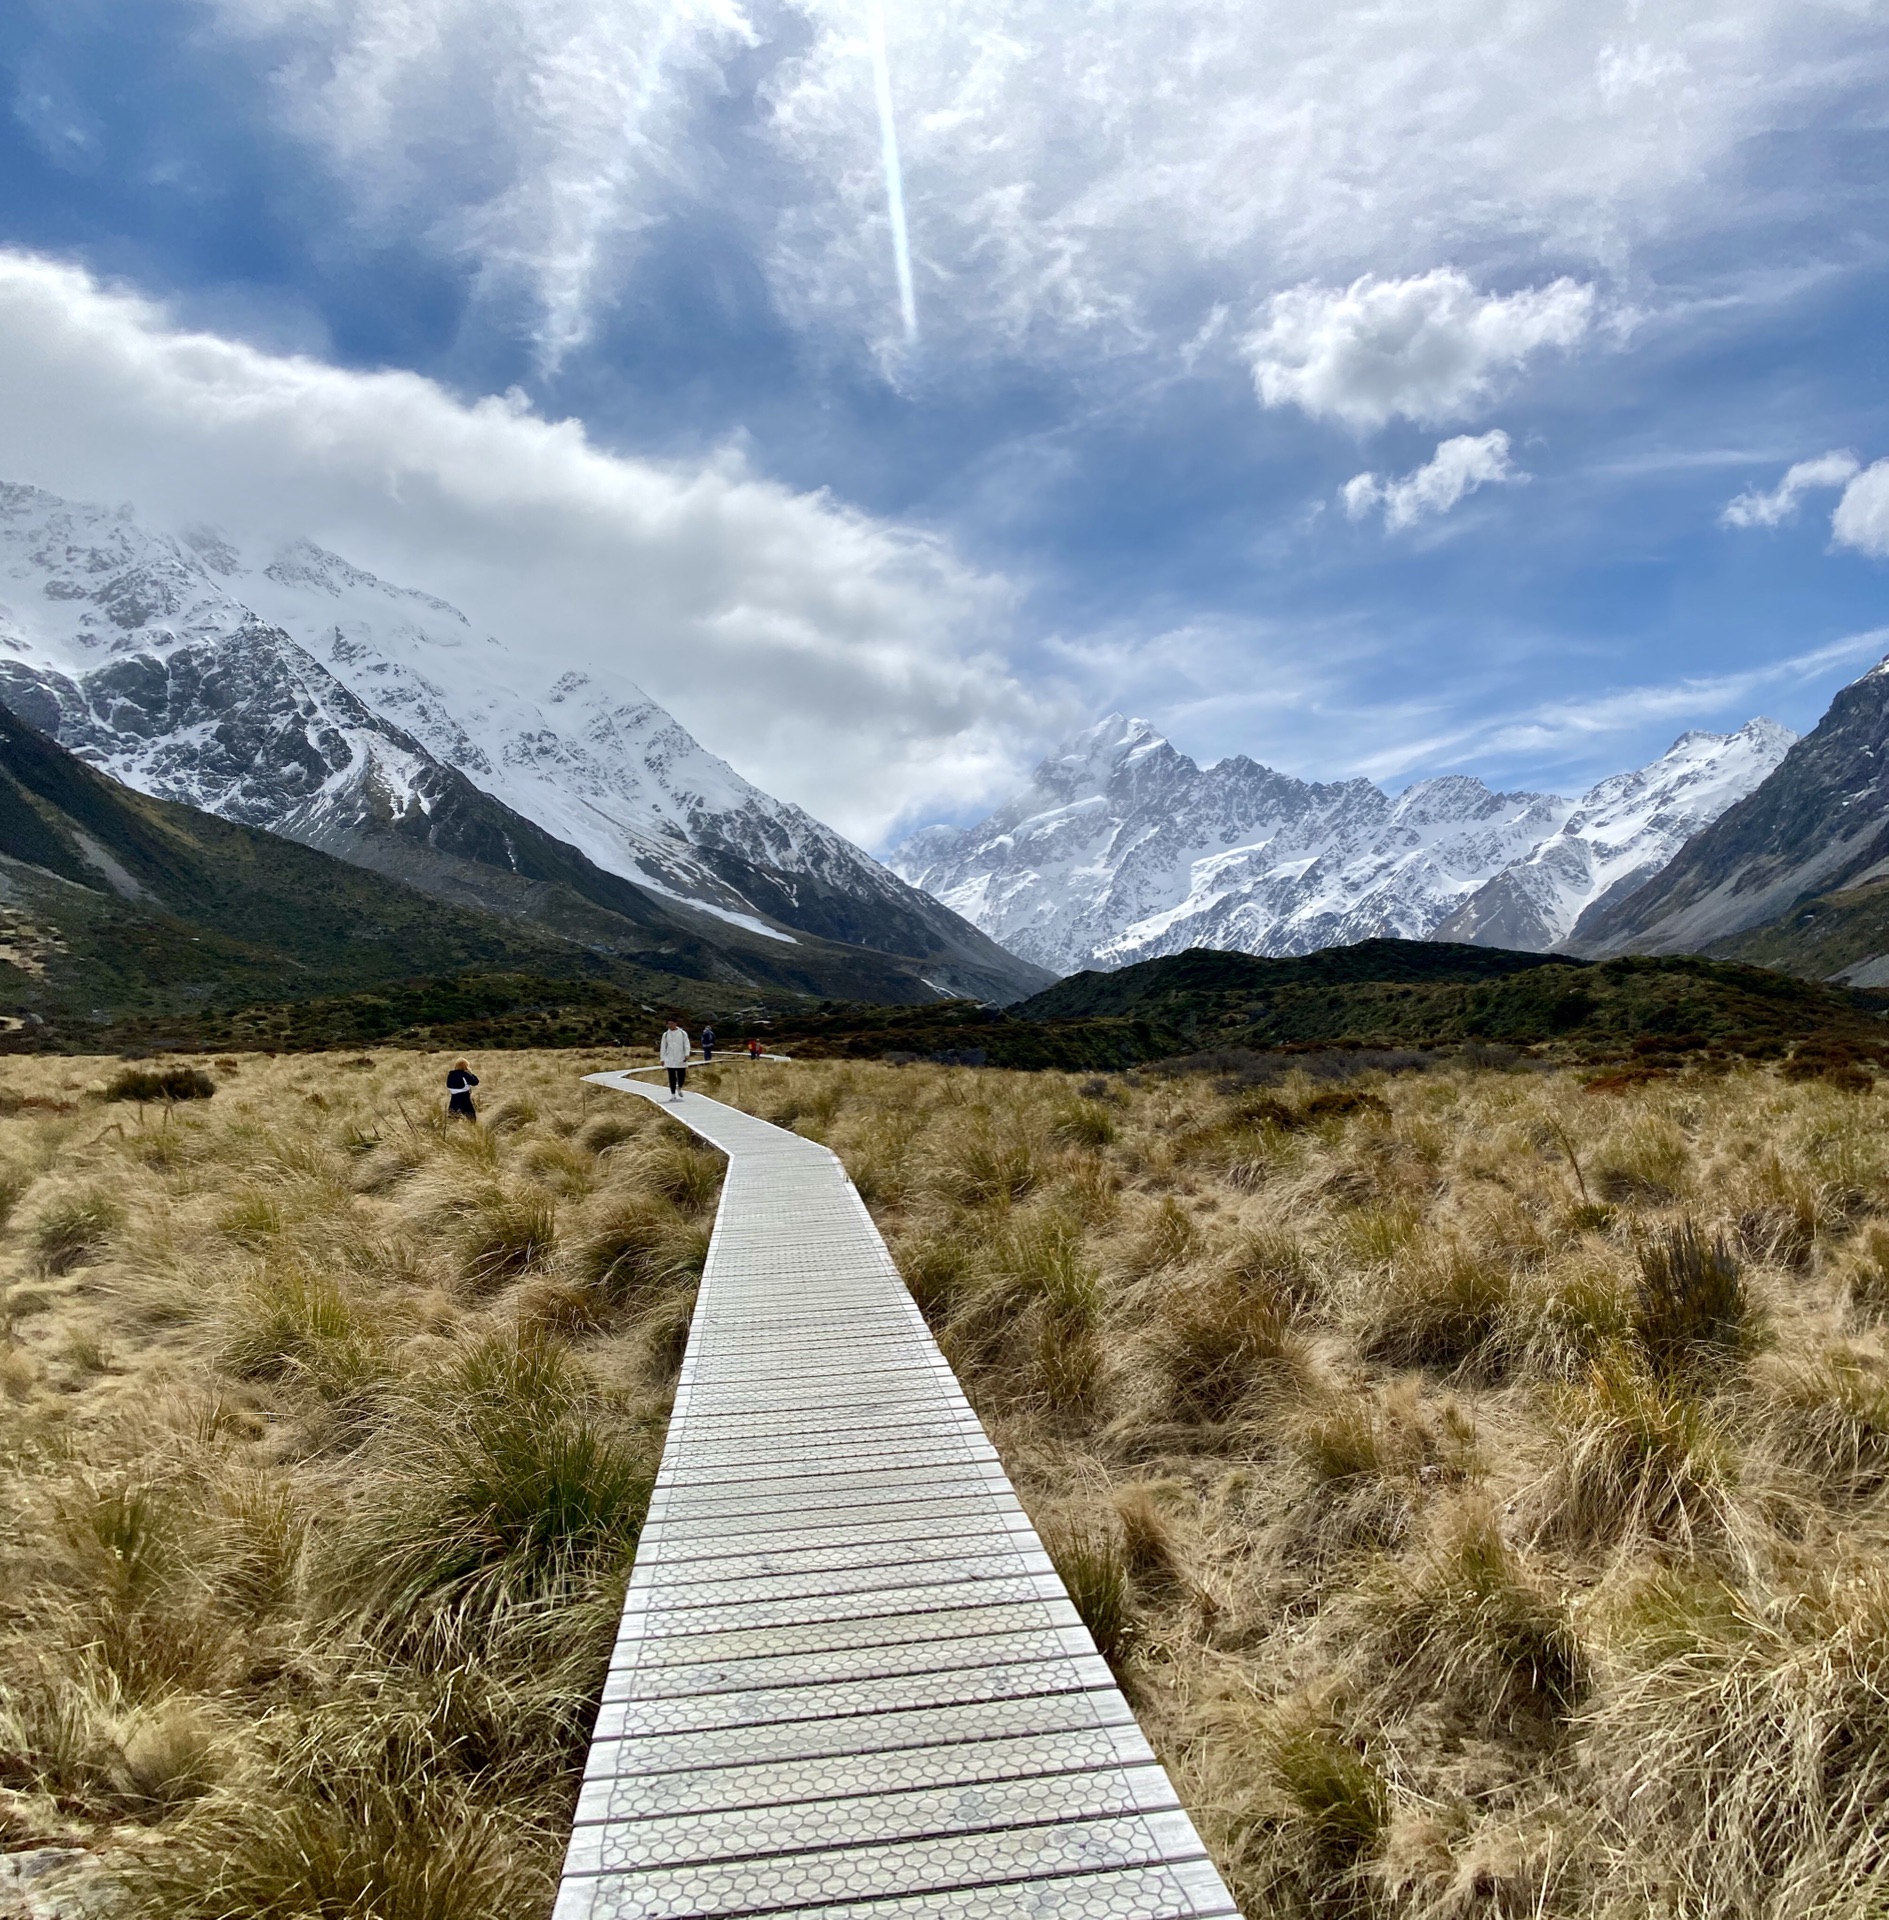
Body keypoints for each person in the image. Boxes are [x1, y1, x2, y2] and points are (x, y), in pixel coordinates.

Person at [659, 1019, 692, 1101]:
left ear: (676, 1023)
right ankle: (673, 1094)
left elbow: (686, 1044)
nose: (670, 1025)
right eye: (668, 1024)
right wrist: (662, 1059)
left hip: (680, 1057)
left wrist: (687, 1054)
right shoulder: (665, 1034)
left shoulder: (682, 1033)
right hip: (669, 1058)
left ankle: (679, 1087)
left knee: (681, 1075)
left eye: (671, 1023)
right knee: (671, 1077)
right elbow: (663, 1047)